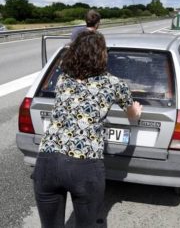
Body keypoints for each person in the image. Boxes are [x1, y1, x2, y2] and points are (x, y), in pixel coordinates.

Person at [32, 30, 142, 227]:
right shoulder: (114, 84)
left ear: (74, 52)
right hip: (85, 165)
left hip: (47, 162)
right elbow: (132, 114)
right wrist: (137, 112)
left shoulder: (63, 78)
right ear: (102, 55)